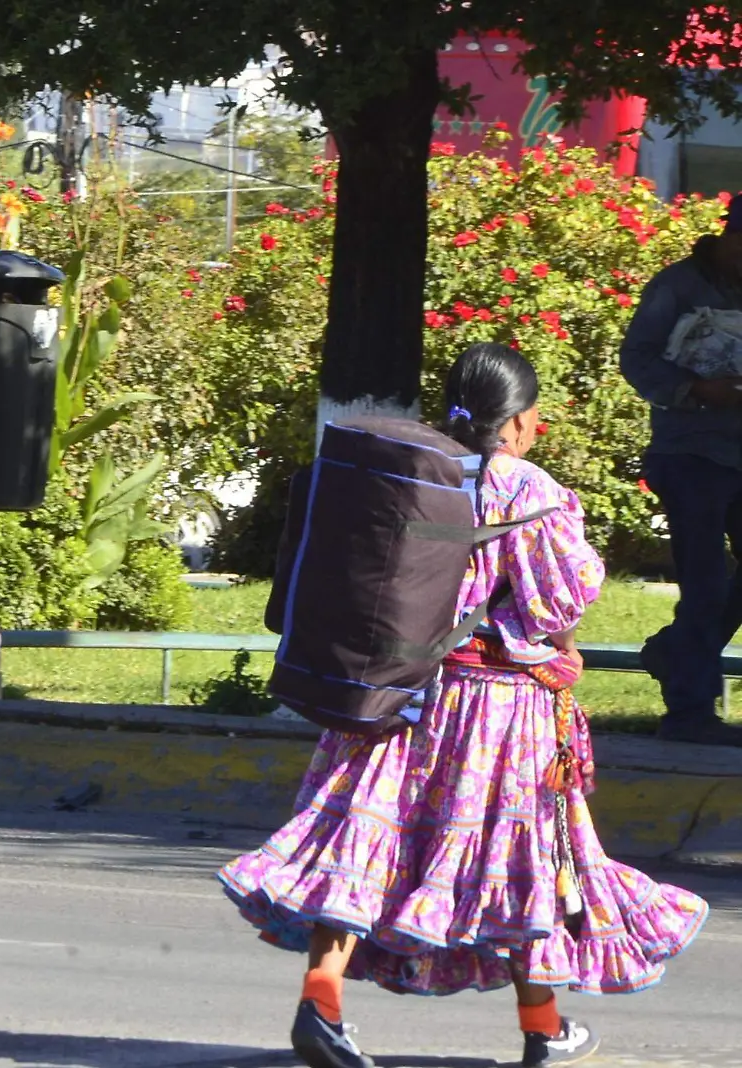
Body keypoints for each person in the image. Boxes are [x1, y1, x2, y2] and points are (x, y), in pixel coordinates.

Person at [221, 344, 708, 1068]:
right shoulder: (530, 490)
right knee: (515, 859)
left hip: (400, 691)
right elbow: (560, 599)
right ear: (519, 421)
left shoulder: (414, 473)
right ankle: (542, 1028)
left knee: (366, 840)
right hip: (500, 709)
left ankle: (320, 1002)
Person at [619, 199, 742, 745]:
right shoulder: (677, 286)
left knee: (717, 588)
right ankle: (689, 714)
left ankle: (676, 653)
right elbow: (637, 359)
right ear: (726, 237)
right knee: (706, 582)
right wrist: (695, 389)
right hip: (689, 453)